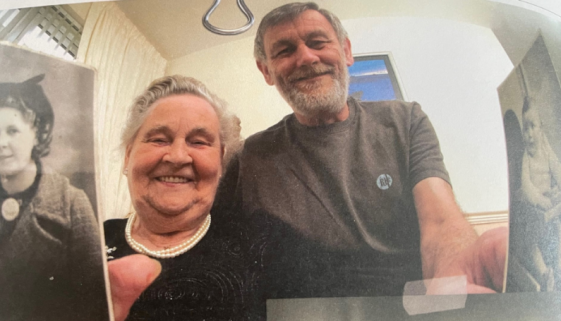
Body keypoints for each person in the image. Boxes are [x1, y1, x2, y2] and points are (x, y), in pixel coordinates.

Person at [215, 1, 507, 298]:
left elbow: (440, 218)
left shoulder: (405, 121)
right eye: (284, 51)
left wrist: (451, 277)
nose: (305, 57)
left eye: (318, 42)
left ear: (346, 51)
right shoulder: (250, 155)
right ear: (266, 71)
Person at [103, 75, 264, 321]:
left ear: (221, 161)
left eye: (199, 142)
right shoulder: (85, 242)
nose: (177, 157)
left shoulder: (255, 251)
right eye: (158, 139)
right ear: (128, 156)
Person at [0, 75, 108, 321]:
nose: (1, 142)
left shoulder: (71, 204)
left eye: (12, 131)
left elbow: (94, 301)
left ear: (38, 133)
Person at [515, 97, 561, 290]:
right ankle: (544, 273)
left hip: (549, 206)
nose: (529, 134)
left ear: (541, 129)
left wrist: (558, 190)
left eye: (533, 126)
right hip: (533, 207)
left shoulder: (546, 151)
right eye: (525, 129)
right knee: (530, 244)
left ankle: (557, 270)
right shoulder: (527, 158)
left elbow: (558, 170)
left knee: (558, 233)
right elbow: (526, 187)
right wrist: (541, 201)